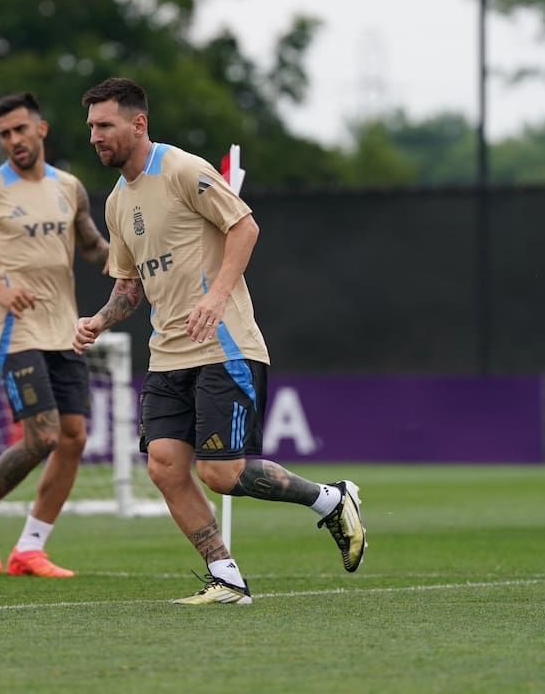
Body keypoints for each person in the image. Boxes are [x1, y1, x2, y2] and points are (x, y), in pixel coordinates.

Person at [72, 77, 366, 604]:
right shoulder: (117, 202)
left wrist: (215, 298)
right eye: (91, 126)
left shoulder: (183, 168)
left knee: (219, 472)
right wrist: (99, 319)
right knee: (163, 464)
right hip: (167, 356)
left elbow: (245, 227)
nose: (94, 136)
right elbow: (129, 286)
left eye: (105, 125)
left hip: (224, 346)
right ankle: (225, 576)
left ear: (138, 124)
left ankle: (330, 499)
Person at [0, 91, 110, 578]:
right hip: (15, 329)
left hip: (65, 327)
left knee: (74, 438)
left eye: (20, 130)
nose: (13, 140)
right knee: (43, 435)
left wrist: (132, 257)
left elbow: (93, 247)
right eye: (4, 134)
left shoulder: (70, 187)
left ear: (42, 130)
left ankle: (30, 549)